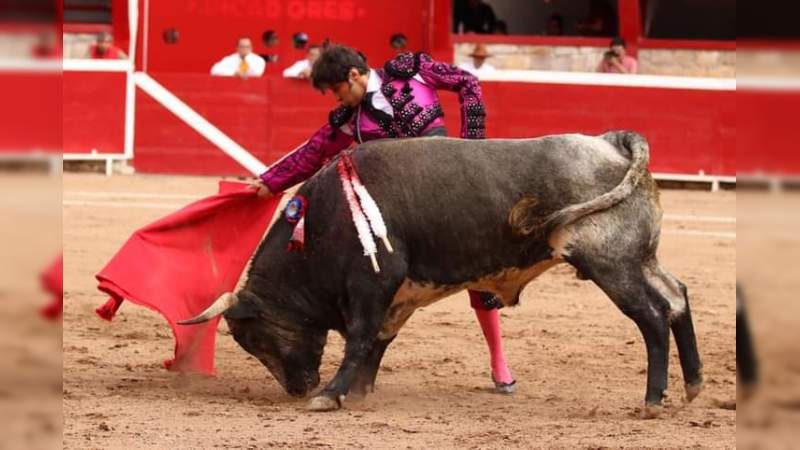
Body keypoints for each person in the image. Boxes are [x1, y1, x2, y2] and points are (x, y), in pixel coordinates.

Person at [252, 44, 516, 393]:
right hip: (400, 214)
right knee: (378, 281)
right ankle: (362, 369)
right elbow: (311, 154)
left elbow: (468, 83)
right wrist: (267, 183)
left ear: (354, 76)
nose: (335, 99)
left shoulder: (411, 71)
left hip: (448, 190)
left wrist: (471, 150)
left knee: (479, 274)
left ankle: (499, 360)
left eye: (336, 90)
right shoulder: (348, 120)